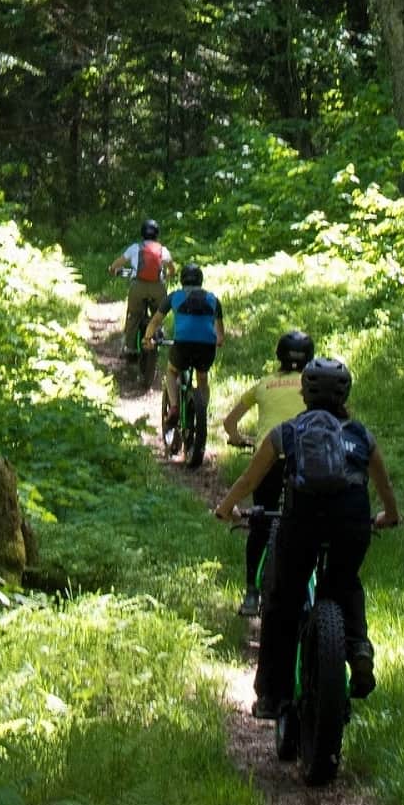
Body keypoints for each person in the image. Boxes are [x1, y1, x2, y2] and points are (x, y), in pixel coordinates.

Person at [215, 357, 400, 714]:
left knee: (283, 600)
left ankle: (271, 696)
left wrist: (225, 508)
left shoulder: (286, 432)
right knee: (345, 583)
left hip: (301, 523)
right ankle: (358, 646)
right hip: (352, 523)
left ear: (304, 393)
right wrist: (389, 516)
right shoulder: (361, 435)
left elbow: (249, 480)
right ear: (346, 393)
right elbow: (384, 484)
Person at [219, 330, 316, 616]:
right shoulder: (315, 386)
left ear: (279, 356)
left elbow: (229, 422)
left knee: (261, 520)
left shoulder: (264, 385)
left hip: (269, 458)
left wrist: (237, 438)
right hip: (307, 460)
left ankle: (251, 593)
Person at [156, 264, 226, 459]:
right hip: (206, 348)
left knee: (171, 371)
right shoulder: (213, 299)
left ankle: (175, 406)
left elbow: (156, 321)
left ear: (182, 280)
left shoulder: (175, 297)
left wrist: (147, 338)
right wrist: (217, 341)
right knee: (202, 376)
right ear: (201, 281)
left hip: (183, 345)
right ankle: (201, 409)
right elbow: (221, 335)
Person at [109, 220, 172, 367]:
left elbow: (118, 263)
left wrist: (112, 270)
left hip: (138, 287)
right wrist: (168, 276)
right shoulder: (163, 250)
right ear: (157, 234)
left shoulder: (135, 248)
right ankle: (158, 335)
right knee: (158, 314)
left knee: (134, 316)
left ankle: (130, 349)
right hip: (158, 288)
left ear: (142, 233)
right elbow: (172, 269)